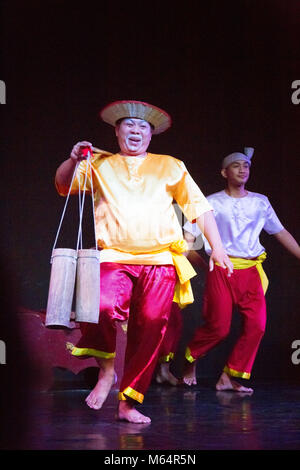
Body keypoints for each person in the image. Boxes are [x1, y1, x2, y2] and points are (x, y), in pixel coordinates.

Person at [55, 100, 233, 423]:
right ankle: (107, 371)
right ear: (116, 130)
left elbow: (198, 207)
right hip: (112, 256)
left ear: (151, 135)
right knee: (100, 306)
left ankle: (128, 403)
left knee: (151, 327)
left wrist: (217, 248)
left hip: (160, 261)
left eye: (143, 127)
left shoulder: (171, 166)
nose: (136, 131)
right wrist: (72, 160)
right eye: (129, 125)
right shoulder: (100, 164)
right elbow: (64, 185)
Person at [183, 147, 300, 392]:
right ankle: (190, 360)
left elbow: (280, 232)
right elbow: (188, 237)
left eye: (246, 166)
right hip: (222, 269)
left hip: (250, 271)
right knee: (219, 327)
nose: (242, 169)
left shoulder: (260, 202)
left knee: (256, 326)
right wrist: (192, 263)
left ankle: (228, 376)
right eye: (236, 166)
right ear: (224, 172)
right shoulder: (211, 202)